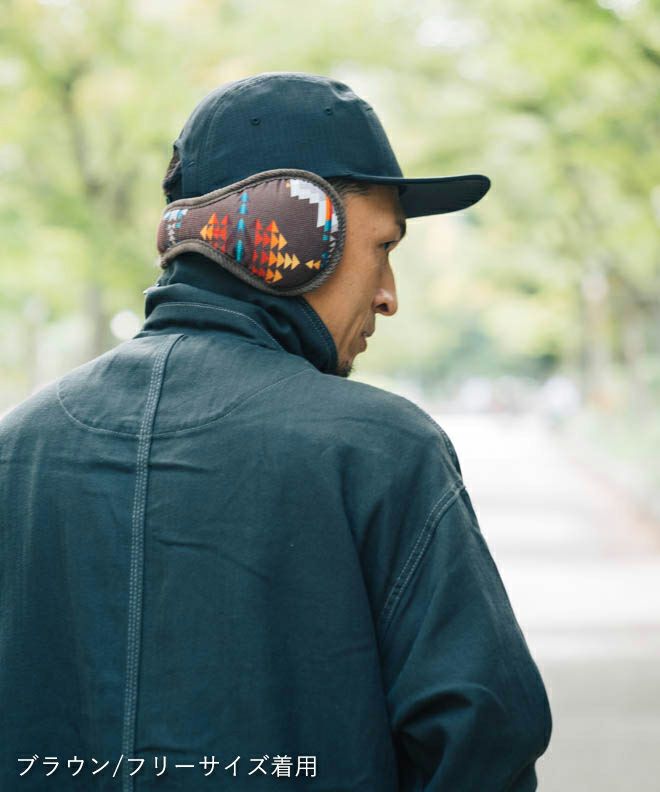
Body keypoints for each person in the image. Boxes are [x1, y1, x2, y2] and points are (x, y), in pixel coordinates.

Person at [0, 72, 551, 791]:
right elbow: (481, 749)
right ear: (295, 229)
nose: (389, 296)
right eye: (384, 247)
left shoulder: (16, 450)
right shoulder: (382, 452)